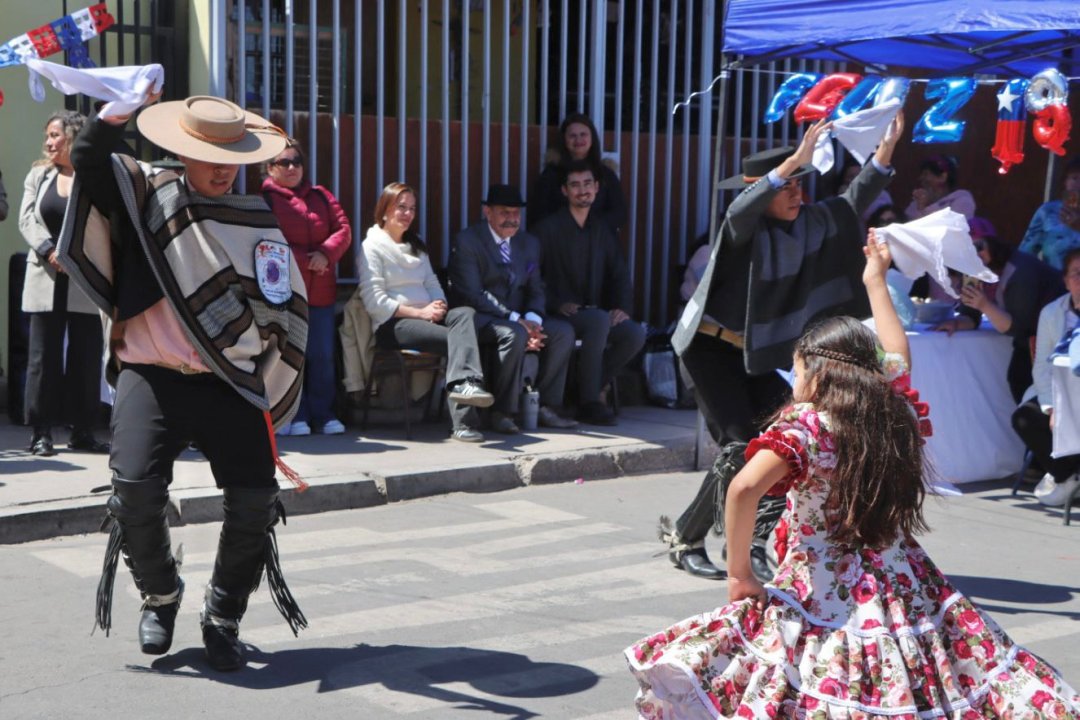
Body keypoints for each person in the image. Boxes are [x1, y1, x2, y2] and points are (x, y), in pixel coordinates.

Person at [625, 237, 1080, 719]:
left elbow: (742, 487)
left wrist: (739, 573)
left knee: (813, 676)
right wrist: (875, 279)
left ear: (817, 372)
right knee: (911, 676)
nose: (794, 381)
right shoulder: (891, 409)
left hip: (819, 586)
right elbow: (896, 351)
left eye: (798, 369)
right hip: (903, 579)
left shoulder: (809, 427)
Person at [63, 95, 310, 671]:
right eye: (208, 155)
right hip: (151, 373)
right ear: (181, 150)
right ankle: (161, 593)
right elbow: (90, 157)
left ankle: (223, 615)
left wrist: (263, 355)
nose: (223, 168)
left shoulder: (256, 217)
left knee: (254, 502)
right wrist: (113, 115)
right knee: (133, 492)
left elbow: (282, 304)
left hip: (229, 380)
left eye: (232, 156)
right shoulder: (148, 195)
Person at [661, 114, 903, 580]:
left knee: (779, 442)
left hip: (757, 353)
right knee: (737, 446)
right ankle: (686, 538)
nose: (798, 194)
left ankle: (751, 544)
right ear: (763, 190)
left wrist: (886, 151)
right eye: (788, 186)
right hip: (709, 349)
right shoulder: (741, 230)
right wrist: (793, 160)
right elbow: (739, 211)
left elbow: (853, 202)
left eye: (801, 184)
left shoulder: (810, 223)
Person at [358, 182, 495, 442]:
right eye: (401, 207)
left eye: (412, 208)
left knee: (464, 314)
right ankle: (464, 418)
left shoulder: (417, 247)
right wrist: (420, 313)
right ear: (385, 211)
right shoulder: (371, 247)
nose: (407, 214)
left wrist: (439, 306)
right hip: (394, 324)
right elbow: (374, 302)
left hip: (427, 319)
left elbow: (432, 283)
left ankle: (467, 386)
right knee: (458, 339)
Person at [447, 184, 578, 432]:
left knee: (562, 332)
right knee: (513, 334)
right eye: (504, 213)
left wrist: (534, 320)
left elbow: (536, 288)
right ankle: (502, 411)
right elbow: (473, 293)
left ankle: (546, 406)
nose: (512, 219)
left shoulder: (529, 243)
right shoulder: (468, 241)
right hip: (483, 317)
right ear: (488, 212)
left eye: (516, 213)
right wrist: (517, 320)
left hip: (519, 317)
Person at [18, 110, 109, 457]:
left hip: (83, 276)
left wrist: (77, 256)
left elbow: (100, 222)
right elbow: (26, 218)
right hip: (45, 273)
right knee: (43, 358)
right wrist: (49, 250)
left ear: (73, 138)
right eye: (48, 136)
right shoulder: (38, 175)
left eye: (55, 135)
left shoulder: (94, 176)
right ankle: (41, 432)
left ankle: (82, 430)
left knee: (86, 357)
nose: (48, 142)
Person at [533, 160, 645, 426]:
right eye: (575, 185)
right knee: (597, 321)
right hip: (558, 314)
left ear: (596, 188)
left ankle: (585, 388)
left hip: (596, 313)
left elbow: (619, 274)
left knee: (634, 333)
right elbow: (531, 277)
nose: (582, 190)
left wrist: (622, 308)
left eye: (587, 184)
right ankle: (589, 402)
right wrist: (556, 303)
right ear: (564, 191)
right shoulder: (546, 229)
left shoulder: (603, 229)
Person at [262, 138, 352, 436]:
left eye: (296, 162)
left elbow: (343, 229)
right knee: (288, 356)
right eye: (283, 162)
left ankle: (323, 415)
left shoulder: (321, 196)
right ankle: (292, 414)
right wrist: (307, 260)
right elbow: (266, 244)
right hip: (283, 294)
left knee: (322, 356)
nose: (291, 168)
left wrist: (326, 253)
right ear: (270, 168)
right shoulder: (265, 200)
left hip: (322, 292)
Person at [935, 217, 1064, 402]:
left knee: (1023, 382)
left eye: (979, 246)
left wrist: (985, 305)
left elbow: (1017, 327)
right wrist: (956, 322)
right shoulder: (974, 271)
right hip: (1032, 337)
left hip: (1057, 335)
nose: (975, 254)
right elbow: (971, 315)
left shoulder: (1019, 270)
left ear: (993, 244)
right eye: (967, 250)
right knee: (1019, 381)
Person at [1012, 248, 1080, 507]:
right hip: (1059, 392)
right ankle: (1068, 475)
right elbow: (1041, 365)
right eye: (1076, 274)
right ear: (1065, 280)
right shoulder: (1052, 313)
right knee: (1025, 418)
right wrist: (1052, 406)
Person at [528, 113, 626, 232]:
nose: (578, 140)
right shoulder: (551, 174)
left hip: (600, 243)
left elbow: (619, 213)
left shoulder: (606, 174)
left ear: (592, 138)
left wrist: (590, 227)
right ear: (564, 140)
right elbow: (539, 213)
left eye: (583, 134)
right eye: (572, 136)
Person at [1019, 154, 1080, 270]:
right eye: (1074, 178)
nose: (1079, 185)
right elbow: (1025, 254)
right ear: (1065, 182)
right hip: (1053, 284)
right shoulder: (1047, 212)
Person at [905, 153, 976, 220]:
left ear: (943, 177)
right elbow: (906, 224)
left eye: (926, 174)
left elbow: (950, 229)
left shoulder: (962, 201)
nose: (921, 178)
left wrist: (924, 207)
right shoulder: (917, 202)